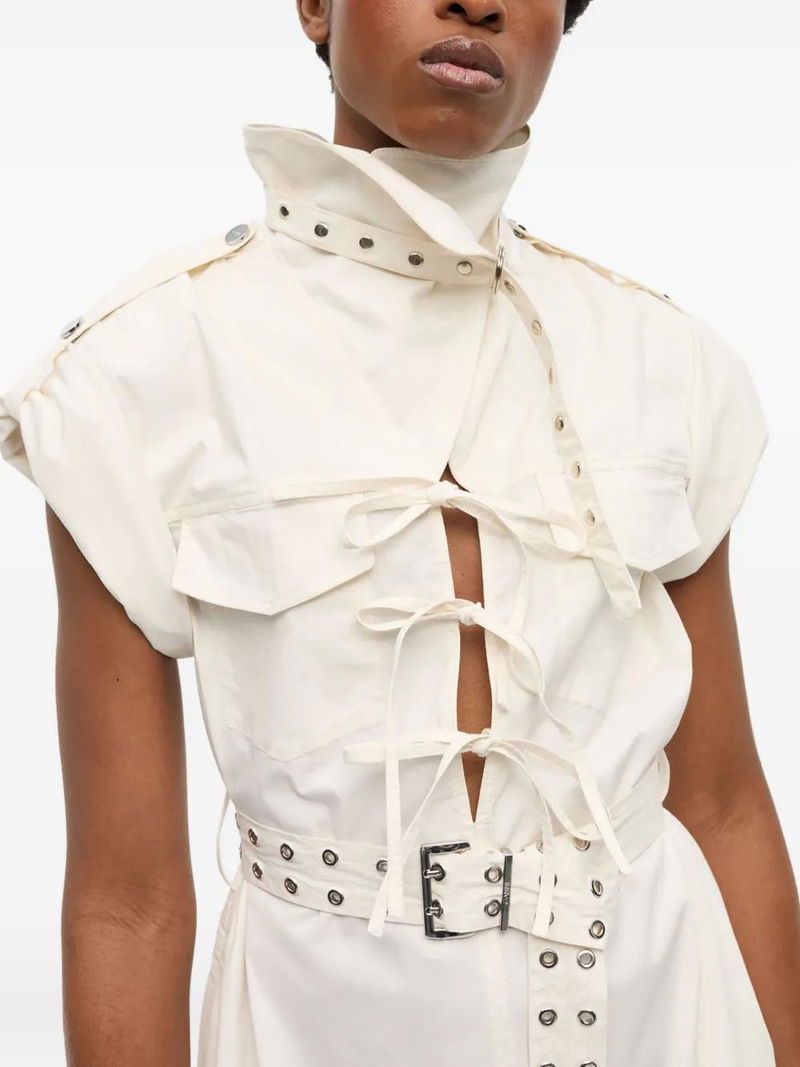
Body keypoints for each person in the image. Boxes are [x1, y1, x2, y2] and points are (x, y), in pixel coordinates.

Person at [1, 0, 798, 1064]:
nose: (478, 4)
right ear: (314, 6)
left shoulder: (664, 359)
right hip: (318, 1028)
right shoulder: (133, 377)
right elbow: (127, 895)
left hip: (671, 1012)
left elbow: (723, 804)